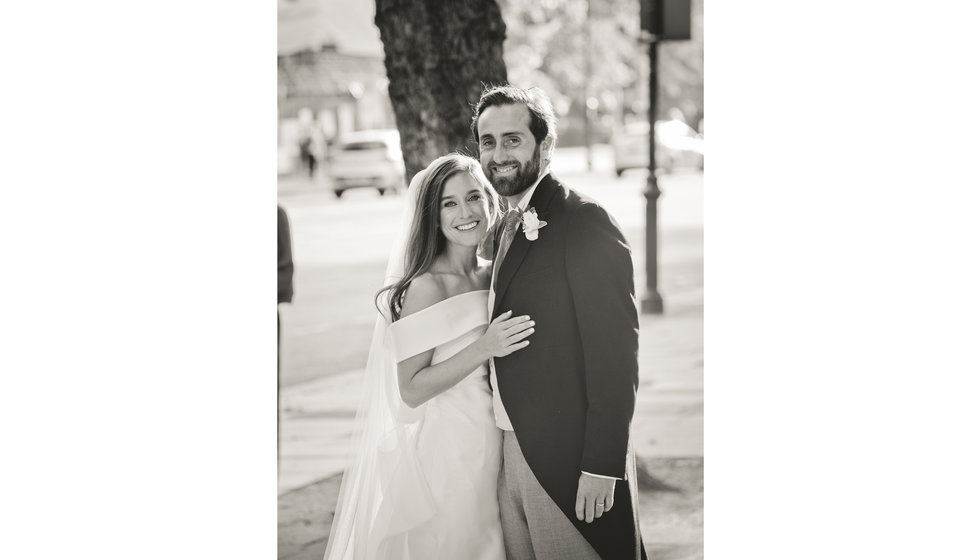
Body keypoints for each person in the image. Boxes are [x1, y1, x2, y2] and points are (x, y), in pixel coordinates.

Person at [323, 154, 536, 560]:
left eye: (474, 197)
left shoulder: (494, 272)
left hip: (494, 440)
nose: (466, 213)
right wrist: (484, 347)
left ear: (491, 201)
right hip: (448, 449)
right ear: (432, 216)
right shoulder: (426, 287)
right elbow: (411, 389)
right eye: (449, 203)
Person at [473, 85, 647, 559]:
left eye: (512, 139)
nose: (498, 154)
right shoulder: (499, 227)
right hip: (510, 449)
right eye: (487, 142)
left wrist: (601, 465)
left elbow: (615, 355)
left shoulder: (584, 221)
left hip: (568, 460)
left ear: (544, 146)